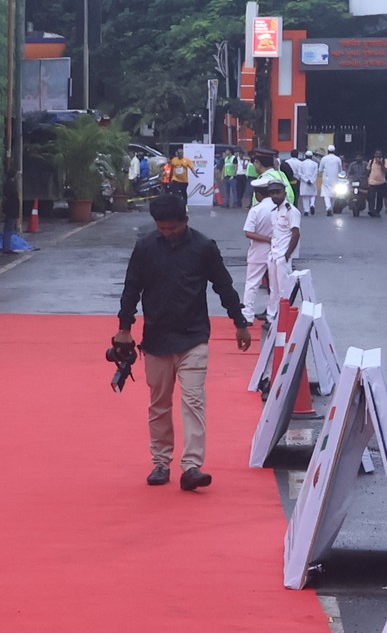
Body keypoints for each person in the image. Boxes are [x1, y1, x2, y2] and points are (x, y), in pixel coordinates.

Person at [117, 192, 253, 491]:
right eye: (162, 228)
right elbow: (132, 288)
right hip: (156, 338)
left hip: (193, 337)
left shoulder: (204, 247)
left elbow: (224, 286)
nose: (167, 233)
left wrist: (239, 323)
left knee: (193, 401)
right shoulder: (145, 247)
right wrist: (124, 327)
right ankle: (160, 462)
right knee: (159, 404)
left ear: (186, 221)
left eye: (173, 228)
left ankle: (192, 466)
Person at [241, 171, 300, 329]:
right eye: (272, 192)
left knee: (264, 285)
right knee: (274, 288)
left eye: (277, 192)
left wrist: (287, 255)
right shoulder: (275, 210)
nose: (275, 195)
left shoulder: (262, 209)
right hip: (273, 252)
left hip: (272, 253)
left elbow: (295, 234)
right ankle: (272, 316)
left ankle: (251, 315)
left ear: (258, 194)